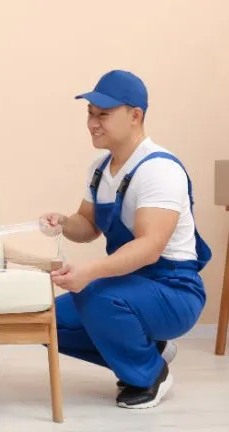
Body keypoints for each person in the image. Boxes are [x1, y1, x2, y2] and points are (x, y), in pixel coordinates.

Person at [39, 70, 211, 409]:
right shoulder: (101, 168)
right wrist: (62, 223)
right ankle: (151, 350)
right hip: (127, 284)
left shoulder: (158, 170)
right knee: (47, 320)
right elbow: (87, 225)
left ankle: (149, 375)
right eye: (90, 113)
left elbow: (149, 247)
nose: (92, 123)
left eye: (103, 114)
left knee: (96, 296)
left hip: (174, 290)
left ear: (136, 116)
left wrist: (89, 273)